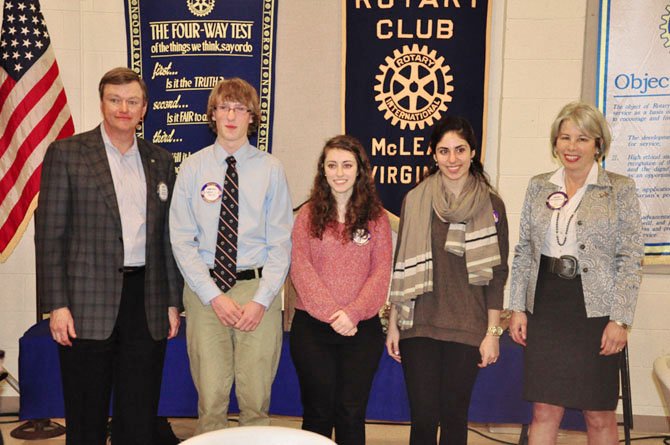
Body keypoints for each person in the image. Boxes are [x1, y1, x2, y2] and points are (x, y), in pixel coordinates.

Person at [36, 67, 183, 445]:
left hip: (146, 303)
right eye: (115, 100)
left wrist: (171, 301)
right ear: (102, 103)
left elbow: (167, 238)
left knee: (139, 416)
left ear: (144, 108)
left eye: (132, 101)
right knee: (86, 416)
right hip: (86, 304)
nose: (123, 108)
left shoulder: (161, 160)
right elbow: (51, 236)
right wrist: (57, 305)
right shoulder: (67, 154)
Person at [508, 101, 643, 445]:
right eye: (564, 138)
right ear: (555, 143)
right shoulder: (539, 186)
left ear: (598, 144)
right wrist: (517, 306)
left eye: (582, 139)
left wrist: (621, 319)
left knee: (598, 413)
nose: (571, 147)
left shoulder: (620, 189)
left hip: (595, 310)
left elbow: (630, 258)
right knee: (544, 410)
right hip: (546, 305)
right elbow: (524, 250)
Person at [169, 78, 293, 434]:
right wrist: (212, 296)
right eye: (224, 107)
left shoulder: (271, 169)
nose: (231, 116)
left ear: (253, 117)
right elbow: (181, 240)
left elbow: (280, 244)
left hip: (257, 291)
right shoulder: (193, 169)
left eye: (240, 108)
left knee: (256, 400)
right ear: (213, 114)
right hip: (205, 292)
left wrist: (261, 301)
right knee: (211, 401)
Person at [385, 116, 509, 445]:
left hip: (468, 326)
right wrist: (394, 323)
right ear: (433, 154)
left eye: (459, 150)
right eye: (444, 151)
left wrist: (492, 333)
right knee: (423, 419)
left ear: (472, 152)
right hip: (419, 324)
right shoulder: (415, 200)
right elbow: (400, 264)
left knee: (454, 417)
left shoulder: (491, 205)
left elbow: (497, 274)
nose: (452, 159)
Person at [289, 135, 392, 444]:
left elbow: (381, 272)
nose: (339, 173)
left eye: (347, 165)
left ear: (360, 170)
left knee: (350, 412)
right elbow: (300, 267)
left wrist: (352, 313)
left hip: (361, 331)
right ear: (323, 170)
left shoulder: (377, 219)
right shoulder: (307, 216)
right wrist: (333, 313)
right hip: (313, 329)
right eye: (332, 165)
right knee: (318, 412)